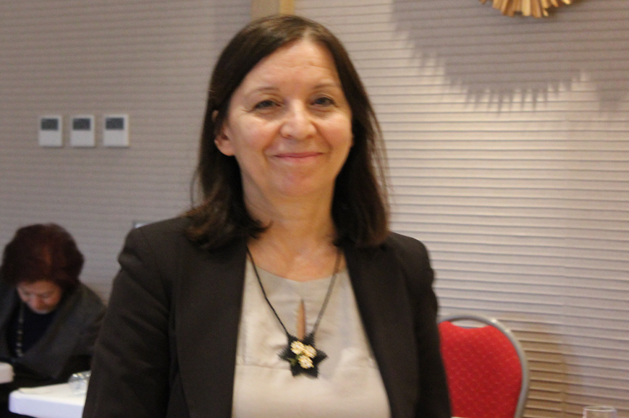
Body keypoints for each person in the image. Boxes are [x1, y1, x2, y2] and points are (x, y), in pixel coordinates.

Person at [84, 14, 451, 418]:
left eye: (322, 101)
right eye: (267, 104)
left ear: (352, 125)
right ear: (223, 132)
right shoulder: (161, 263)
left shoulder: (403, 268)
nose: (299, 126)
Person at [0, 223, 106, 418]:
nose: (35, 303)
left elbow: (102, 373)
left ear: (64, 284)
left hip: (45, 406)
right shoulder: (4, 289)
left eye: (46, 295)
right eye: (25, 292)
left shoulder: (89, 312)